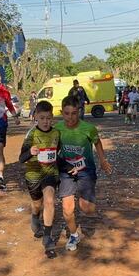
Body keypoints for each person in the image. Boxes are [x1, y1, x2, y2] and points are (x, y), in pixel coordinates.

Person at [56, 95, 113, 252]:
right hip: (66, 172)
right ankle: (74, 235)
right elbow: (53, 149)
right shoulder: (57, 129)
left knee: (87, 209)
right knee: (67, 208)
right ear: (62, 112)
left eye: (74, 113)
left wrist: (102, 160)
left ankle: (85, 198)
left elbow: (97, 142)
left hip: (86, 171)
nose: (70, 117)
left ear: (79, 111)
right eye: (67, 113)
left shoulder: (88, 128)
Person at [18, 101, 60, 258]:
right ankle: (35, 216)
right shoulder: (31, 135)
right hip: (33, 174)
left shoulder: (56, 133)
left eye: (48, 118)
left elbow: (58, 153)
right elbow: (21, 158)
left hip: (50, 173)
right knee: (37, 204)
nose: (45, 121)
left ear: (52, 118)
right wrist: (30, 152)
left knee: (49, 200)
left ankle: (48, 238)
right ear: (36, 117)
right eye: (42, 118)